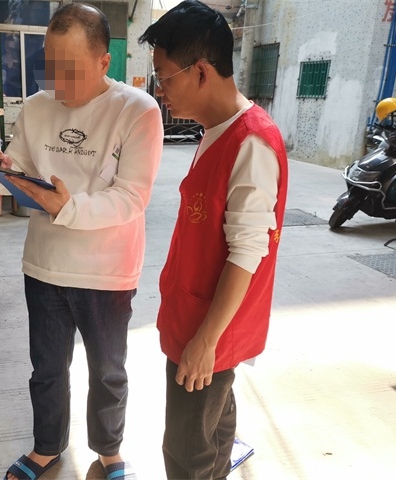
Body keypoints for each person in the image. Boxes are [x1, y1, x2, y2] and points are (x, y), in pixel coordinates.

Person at [0, 3, 163, 479]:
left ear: (104, 61)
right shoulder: (38, 107)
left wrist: (69, 207)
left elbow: (132, 197)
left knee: (107, 370)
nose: (59, 83)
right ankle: (47, 448)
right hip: (44, 264)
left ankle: (109, 452)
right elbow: (20, 169)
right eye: (52, 66)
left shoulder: (137, 110)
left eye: (72, 70)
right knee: (46, 368)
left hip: (107, 270)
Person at [139, 1, 289, 479]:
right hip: (195, 318)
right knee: (214, 431)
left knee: (187, 453)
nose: (160, 91)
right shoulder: (216, 130)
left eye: (164, 77)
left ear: (200, 71)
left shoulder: (251, 142)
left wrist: (205, 342)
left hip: (207, 331)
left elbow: (247, 253)